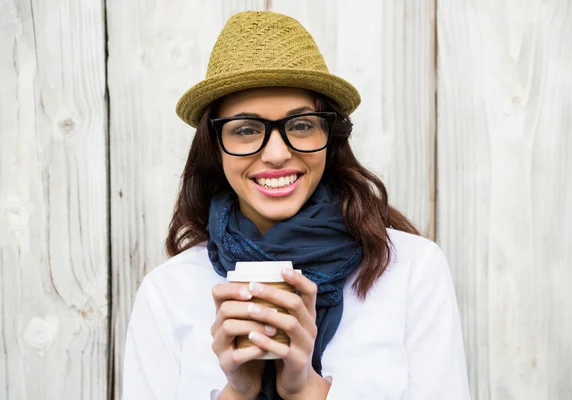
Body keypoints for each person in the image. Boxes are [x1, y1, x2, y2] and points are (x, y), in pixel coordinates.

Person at [122, 10, 470, 400]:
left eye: (301, 125)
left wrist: (305, 387)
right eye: (246, 129)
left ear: (330, 135)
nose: (275, 154)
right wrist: (238, 391)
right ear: (214, 147)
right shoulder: (168, 293)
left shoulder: (411, 271)